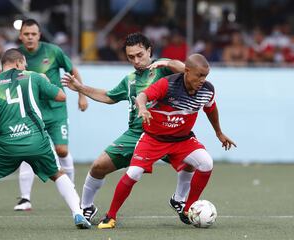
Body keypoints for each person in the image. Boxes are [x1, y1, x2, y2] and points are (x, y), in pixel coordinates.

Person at [61, 32, 191, 223]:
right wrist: (80, 88)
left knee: (190, 163)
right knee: (98, 167)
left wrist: (165, 62)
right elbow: (108, 97)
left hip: (166, 133)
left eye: (140, 55)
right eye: (131, 57)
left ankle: (178, 200)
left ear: (149, 50)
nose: (136, 61)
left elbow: (187, 70)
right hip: (137, 134)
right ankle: (86, 207)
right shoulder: (129, 79)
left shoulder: (164, 69)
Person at [96, 54, 237, 229]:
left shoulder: (207, 90)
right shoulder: (167, 84)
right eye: (199, 75)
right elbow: (143, 96)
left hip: (182, 140)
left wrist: (219, 133)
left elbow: (211, 109)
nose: (202, 80)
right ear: (187, 71)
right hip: (154, 139)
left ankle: (187, 208)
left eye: (205, 76)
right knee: (134, 173)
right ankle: (110, 216)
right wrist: (142, 108)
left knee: (206, 163)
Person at [0, 49, 91, 230]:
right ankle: (77, 213)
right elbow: (61, 97)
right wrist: (45, 81)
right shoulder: (33, 77)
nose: (26, 67)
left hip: (7, 144)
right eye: (24, 64)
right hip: (36, 141)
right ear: (19, 63)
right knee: (58, 173)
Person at [14, 19, 88, 211]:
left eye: (33, 34)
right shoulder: (16, 56)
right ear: (21, 35)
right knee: (27, 151)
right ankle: (24, 199)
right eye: (26, 34)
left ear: (39, 35)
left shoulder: (53, 51)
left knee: (62, 150)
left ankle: (71, 190)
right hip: (31, 111)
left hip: (56, 110)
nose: (30, 37)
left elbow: (73, 71)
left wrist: (82, 95)